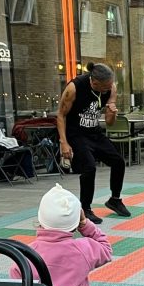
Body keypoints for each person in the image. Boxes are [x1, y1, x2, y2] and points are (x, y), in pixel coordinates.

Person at [58, 64, 131, 224]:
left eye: (109, 86)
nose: (107, 90)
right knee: (89, 167)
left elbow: (109, 123)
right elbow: (61, 115)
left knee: (118, 161)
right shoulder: (74, 88)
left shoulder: (111, 88)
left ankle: (115, 199)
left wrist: (112, 112)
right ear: (95, 82)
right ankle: (85, 208)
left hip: (95, 133)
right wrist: (63, 142)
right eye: (104, 87)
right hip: (76, 134)